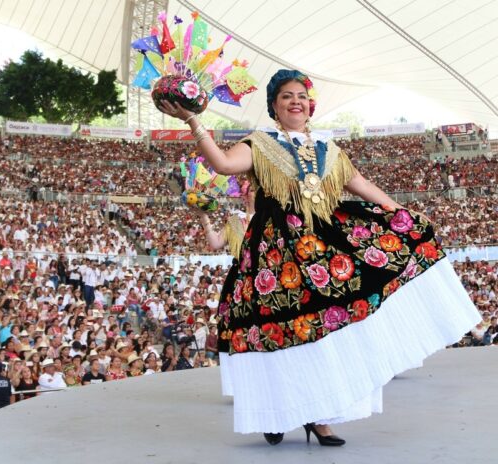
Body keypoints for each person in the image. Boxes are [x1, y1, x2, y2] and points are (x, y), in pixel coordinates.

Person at [158, 69, 480, 446]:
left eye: (301, 95)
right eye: (285, 97)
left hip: (322, 247)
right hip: (274, 252)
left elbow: (360, 185)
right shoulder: (259, 142)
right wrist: (194, 120)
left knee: (325, 335)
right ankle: (278, 410)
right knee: (278, 331)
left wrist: (398, 210)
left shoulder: (330, 151)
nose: (295, 101)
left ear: (310, 106)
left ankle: (319, 418)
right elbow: (225, 166)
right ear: (274, 107)